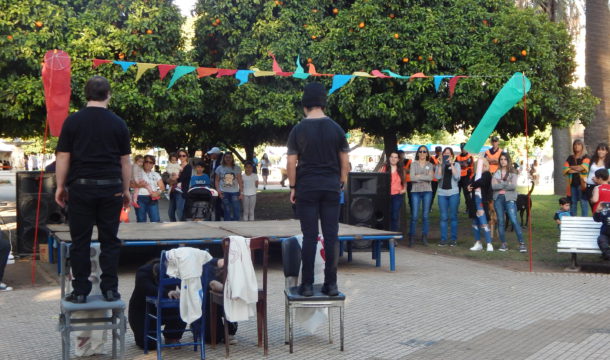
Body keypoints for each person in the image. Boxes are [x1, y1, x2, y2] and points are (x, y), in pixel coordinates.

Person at [55, 76, 131, 303]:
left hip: (81, 188)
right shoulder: (118, 123)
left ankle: (80, 291)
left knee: (80, 241)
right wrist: (126, 190)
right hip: (111, 188)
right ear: (109, 94)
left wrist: (60, 186)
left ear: (85, 94)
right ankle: (110, 289)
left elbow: (62, 156)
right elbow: (125, 162)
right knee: (110, 240)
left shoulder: (72, 121)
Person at [287, 82, 349, 297]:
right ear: (324, 103)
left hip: (307, 187)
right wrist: (341, 180)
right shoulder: (336, 128)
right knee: (331, 236)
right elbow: (344, 159)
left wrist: (293, 186)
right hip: (331, 187)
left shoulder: (298, 129)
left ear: (305, 104)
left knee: (310, 236)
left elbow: (291, 162)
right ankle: (331, 285)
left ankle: (306, 285)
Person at [492, 152, 527, 252]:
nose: (503, 161)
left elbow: (513, 186)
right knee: (500, 221)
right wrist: (506, 183)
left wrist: (500, 183)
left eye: (505, 159)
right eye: (501, 159)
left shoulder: (513, 172)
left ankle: (522, 244)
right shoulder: (497, 172)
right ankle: (503, 244)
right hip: (498, 198)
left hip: (509, 198)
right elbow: (493, 186)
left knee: (513, 220)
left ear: (508, 160)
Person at [435, 147, 461, 246]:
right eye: (445, 154)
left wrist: (451, 164)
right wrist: (441, 165)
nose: (447, 155)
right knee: (443, 217)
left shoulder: (456, 164)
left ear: (452, 155)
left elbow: (457, 177)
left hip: (453, 193)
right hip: (442, 193)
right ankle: (443, 239)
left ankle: (453, 239)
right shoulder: (439, 165)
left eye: (449, 154)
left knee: (453, 216)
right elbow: (437, 177)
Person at [409, 145, 434, 246]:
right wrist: (424, 176)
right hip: (415, 191)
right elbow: (412, 178)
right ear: (418, 153)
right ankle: (412, 237)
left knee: (425, 216)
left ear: (427, 153)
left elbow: (430, 178)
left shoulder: (430, 165)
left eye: (424, 151)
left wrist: (418, 176)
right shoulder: (413, 164)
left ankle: (424, 237)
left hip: (427, 191)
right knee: (414, 216)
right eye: (420, 151)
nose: (422, 153)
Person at [467, 157, 494, 252]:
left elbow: (481, 182)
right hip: (474, 202)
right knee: (475, 223)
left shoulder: (487, 175)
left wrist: (472, 185)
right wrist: (469, 186)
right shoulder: (475, 176)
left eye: (483, 164)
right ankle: (478, 242)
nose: (481, 166)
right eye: (479, 164)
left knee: (483, 223)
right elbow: (469, 184)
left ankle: (489, 243)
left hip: (482, 203)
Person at [379, 151, 406, 232]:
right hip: (386, 195)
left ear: (398, 159)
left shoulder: (401, 170)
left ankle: (393, 236)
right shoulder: (384, 168)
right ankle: (386, 235)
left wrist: (404, 189)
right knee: (387, 215)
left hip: (397, 195)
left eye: (395, 157)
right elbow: (379, 181)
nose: (393, 159)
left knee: (395, 216)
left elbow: (404, 182)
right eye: (392, 157)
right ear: (389, 158)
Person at [563, 139, 590, 216]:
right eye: (575, 144)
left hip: (582, 183)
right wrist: (578, 169)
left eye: (579, 144)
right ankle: (573, 220)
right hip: (572, 184)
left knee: (583, 202)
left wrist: (571, 168)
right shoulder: (570, 157)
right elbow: (565, 169)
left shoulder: (586, 157)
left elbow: (583, 168)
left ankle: (584, 221)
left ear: (582, 146)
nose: (576, 146)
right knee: (573, 202)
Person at [134, 155, 164, 223]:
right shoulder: (137, 172)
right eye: (146, 161)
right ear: (143, 162)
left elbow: (162, 187)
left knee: (155, 221)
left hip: (152, 198)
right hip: (140, 198)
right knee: (141, 221)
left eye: (151, 162)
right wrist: (138, 185)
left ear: (153, 164)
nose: (148, 164)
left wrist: (158, 192)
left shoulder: (156, 174)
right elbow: (129, 184)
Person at [214, 152, 243, 221]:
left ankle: (236, 224)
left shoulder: (237, 168)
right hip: (224, 192)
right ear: (223, 158)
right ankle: (227, 225)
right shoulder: (219, 168)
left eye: (230, 157)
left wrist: (241, 192)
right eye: (226, 157)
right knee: (227, 210)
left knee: (236, 209)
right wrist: (218, 191)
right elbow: (216, 181)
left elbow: (240, 181)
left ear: (232, 158)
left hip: (235, 192)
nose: (228, 159)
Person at [167, 149, 192, 222]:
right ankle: (174, 226)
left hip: (181, 192)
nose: (181, 157)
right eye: (180, 155)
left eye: (183, 155)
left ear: (187, 156)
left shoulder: (188, 167)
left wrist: (171, 181)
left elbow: (181, 178)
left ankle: (183, 227)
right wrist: (170, 180)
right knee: (170, 213)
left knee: (179, 212)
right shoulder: (175, 165)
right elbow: (167, 175)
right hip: (173, 190)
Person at [585, 143, 610, 211]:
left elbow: (608, 178)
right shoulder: (593, 159)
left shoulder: (608, 163)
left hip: (601, 188)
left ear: (607, 151)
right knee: (592, 207)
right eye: (599, 149)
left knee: (600, 207)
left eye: (603, 150)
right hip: (589, 186)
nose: (600, 151)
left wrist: (598, 181)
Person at [456, 143, 474, 211]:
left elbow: (466, 165)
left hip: (467, 177)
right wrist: (463, 164)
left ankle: (468, 208)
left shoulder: (470, 156)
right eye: (462, 148)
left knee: (467, 194)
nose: (463, 150)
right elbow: (456, 165)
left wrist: (461, 164)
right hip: (459, 177)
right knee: (457, 194)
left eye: (464, 148)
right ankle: (456, 208)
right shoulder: (457, 157)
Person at [207, 147, 224, 220]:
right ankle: (214, 217)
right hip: (212, 185)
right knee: (213, 203)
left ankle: (218, 218)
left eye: (212, 154)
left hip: (218, 185)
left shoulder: (221, 163)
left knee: (218, 203)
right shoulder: (212, 162)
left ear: (216, 154)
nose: (210, 155)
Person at [429, 146, 442, 212]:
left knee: (442, 194)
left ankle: (443, 207)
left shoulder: (443, 158)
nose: (438, 152)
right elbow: (430, 167)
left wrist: (436, 166)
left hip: (441, 179)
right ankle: (429, 207)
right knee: (432, 194)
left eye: (439, 151)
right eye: (437, 151)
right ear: (435, 151)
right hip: (434, 179)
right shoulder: (432, 158)